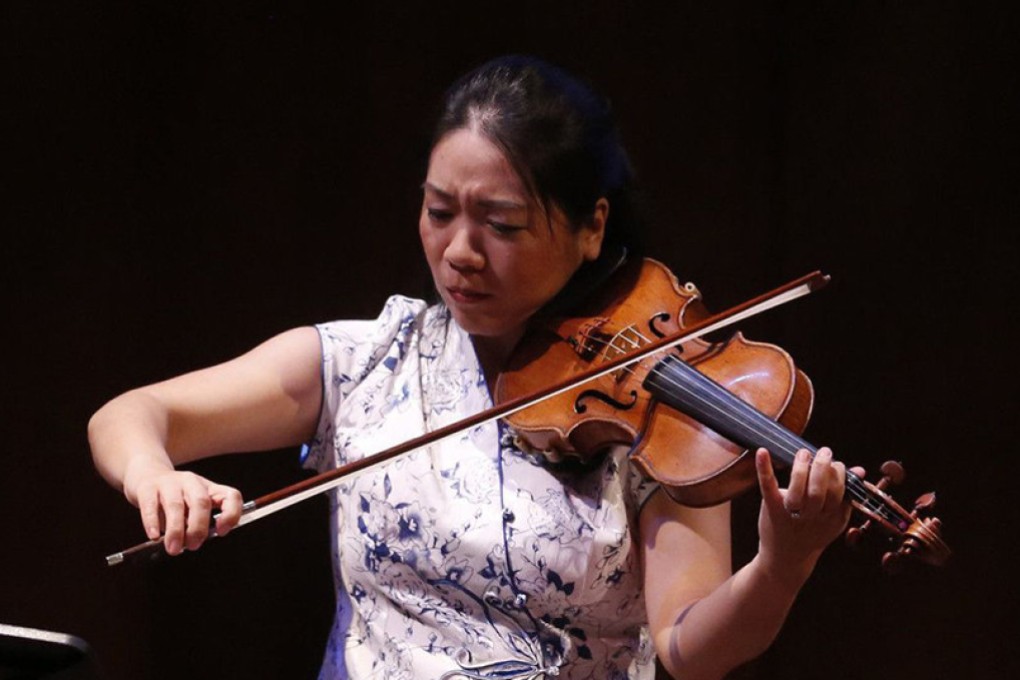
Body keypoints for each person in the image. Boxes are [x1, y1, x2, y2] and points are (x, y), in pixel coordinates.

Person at [89, 55, 856, 680]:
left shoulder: (659, 407)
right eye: (438, 210)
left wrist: (783, 564)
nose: (459, 251)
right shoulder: (368, 361)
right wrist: (155, 476)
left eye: (502, 224)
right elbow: (130, 416)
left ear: (593, 226)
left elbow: (691, 648)